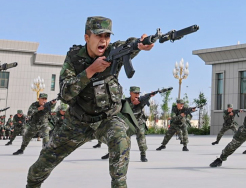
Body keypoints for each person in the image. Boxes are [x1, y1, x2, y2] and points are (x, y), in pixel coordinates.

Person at [25, 16, 154, 188]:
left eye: (107, 36)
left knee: (121, 139)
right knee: (41, 165)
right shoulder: (73, 58)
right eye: (99, 36)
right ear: (87, 37)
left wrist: (141, 43)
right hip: (77, 121)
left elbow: (131, 45)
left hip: (108, 118)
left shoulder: (114, 51)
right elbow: (65, 94)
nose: (104, 40)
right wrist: (90, 71)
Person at [125, 86, 153, 162]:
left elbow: (144, 101)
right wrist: (132, 104)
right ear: (131, 93)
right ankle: (124, 155)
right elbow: (123, 110)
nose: (137, 95)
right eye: (135, 93)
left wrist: (149, 96)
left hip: (139, 122)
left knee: (141, 135)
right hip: (129, 122)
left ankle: (143, 155)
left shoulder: (141, 100)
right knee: (125, 138)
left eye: (138, 93)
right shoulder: (126, 101)